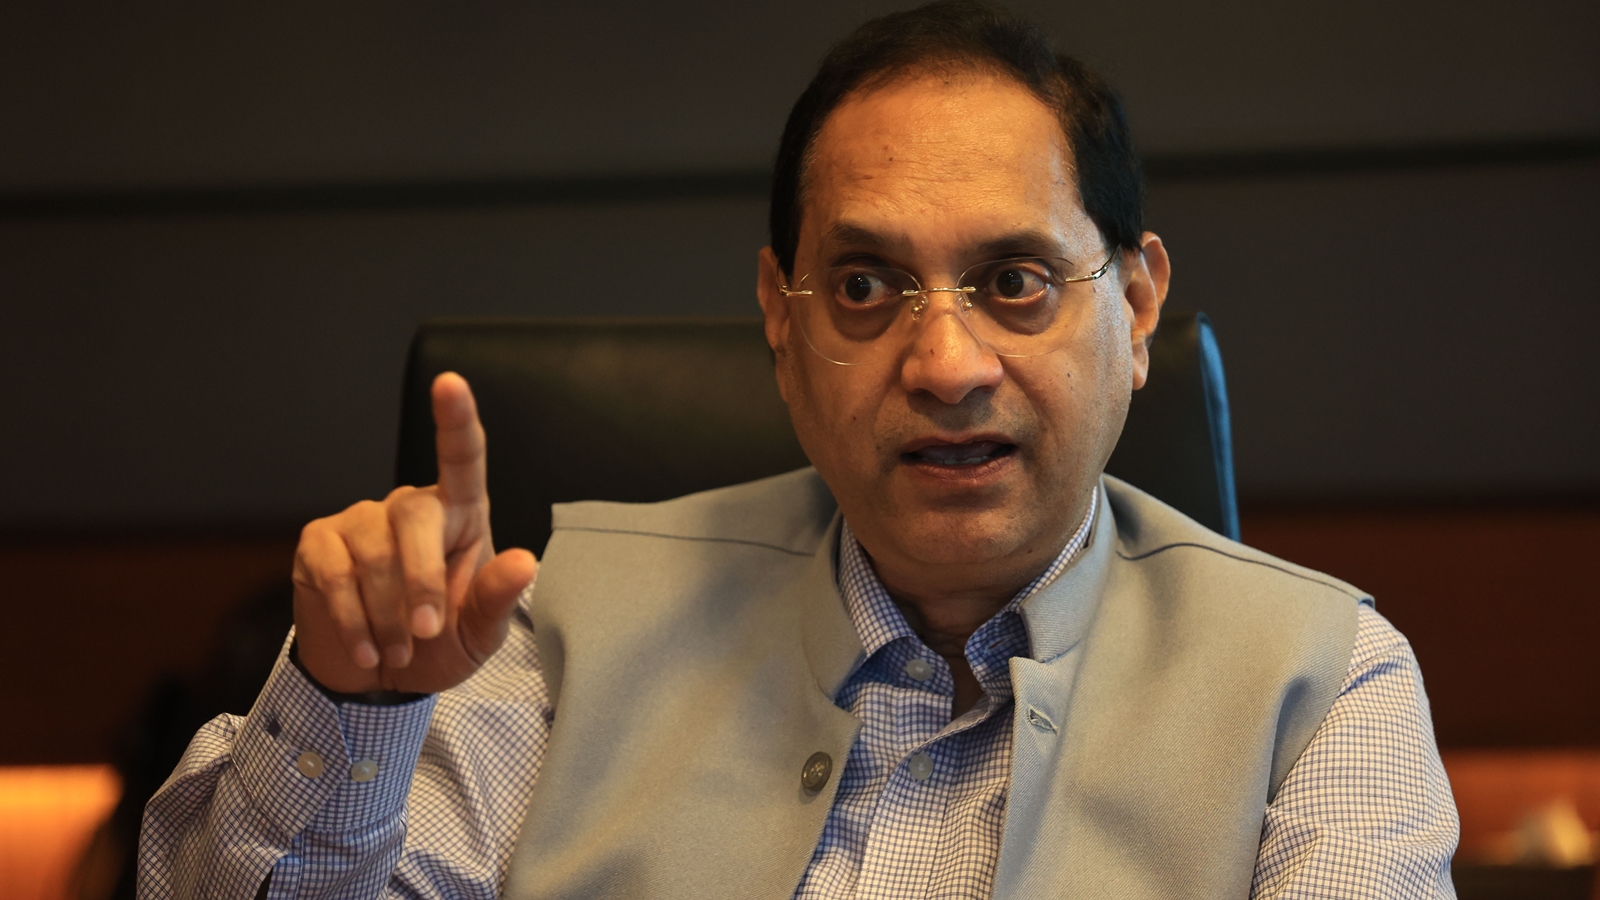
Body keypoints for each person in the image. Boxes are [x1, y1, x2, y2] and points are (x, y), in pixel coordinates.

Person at [138, 2, 1459, 897]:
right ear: (783, 320)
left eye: (1014, 281)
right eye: (867, 287)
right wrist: (359, 713)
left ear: (1138, 305)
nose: (946, 365)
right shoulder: (549, 631)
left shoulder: (1326, 685)